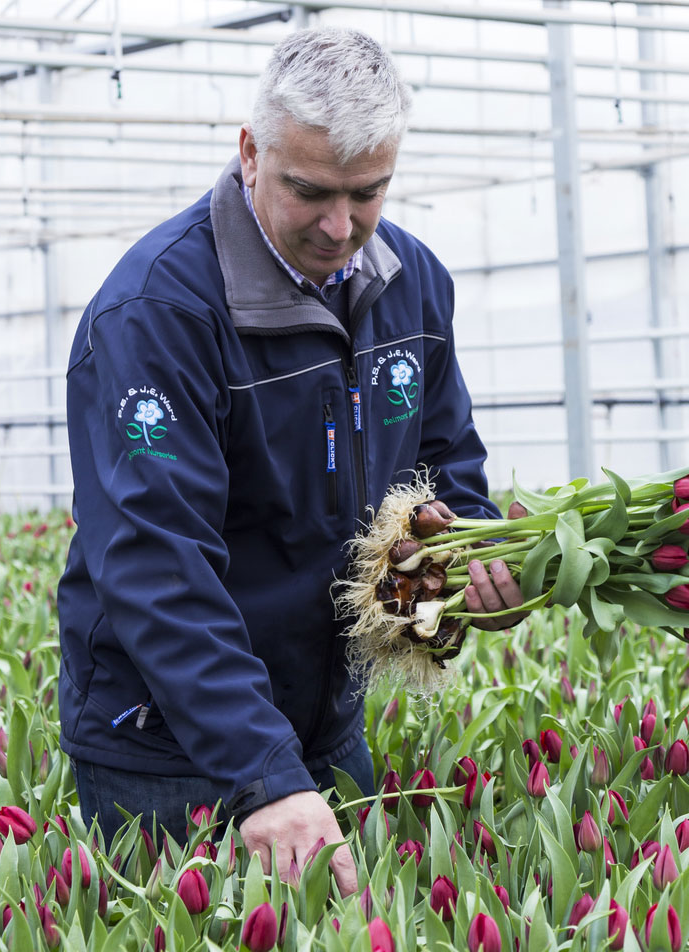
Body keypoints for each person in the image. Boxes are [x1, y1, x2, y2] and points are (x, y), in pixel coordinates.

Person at [56, 25, 524, 897]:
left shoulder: (412, 281)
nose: (339, 227)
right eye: (310, 191)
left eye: (368, 193)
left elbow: (446, 462)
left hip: (324, 718)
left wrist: (476, 562)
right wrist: (263, 776)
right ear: (249, 153)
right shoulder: (160, 312)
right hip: (172, 742)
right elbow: (156, 559)